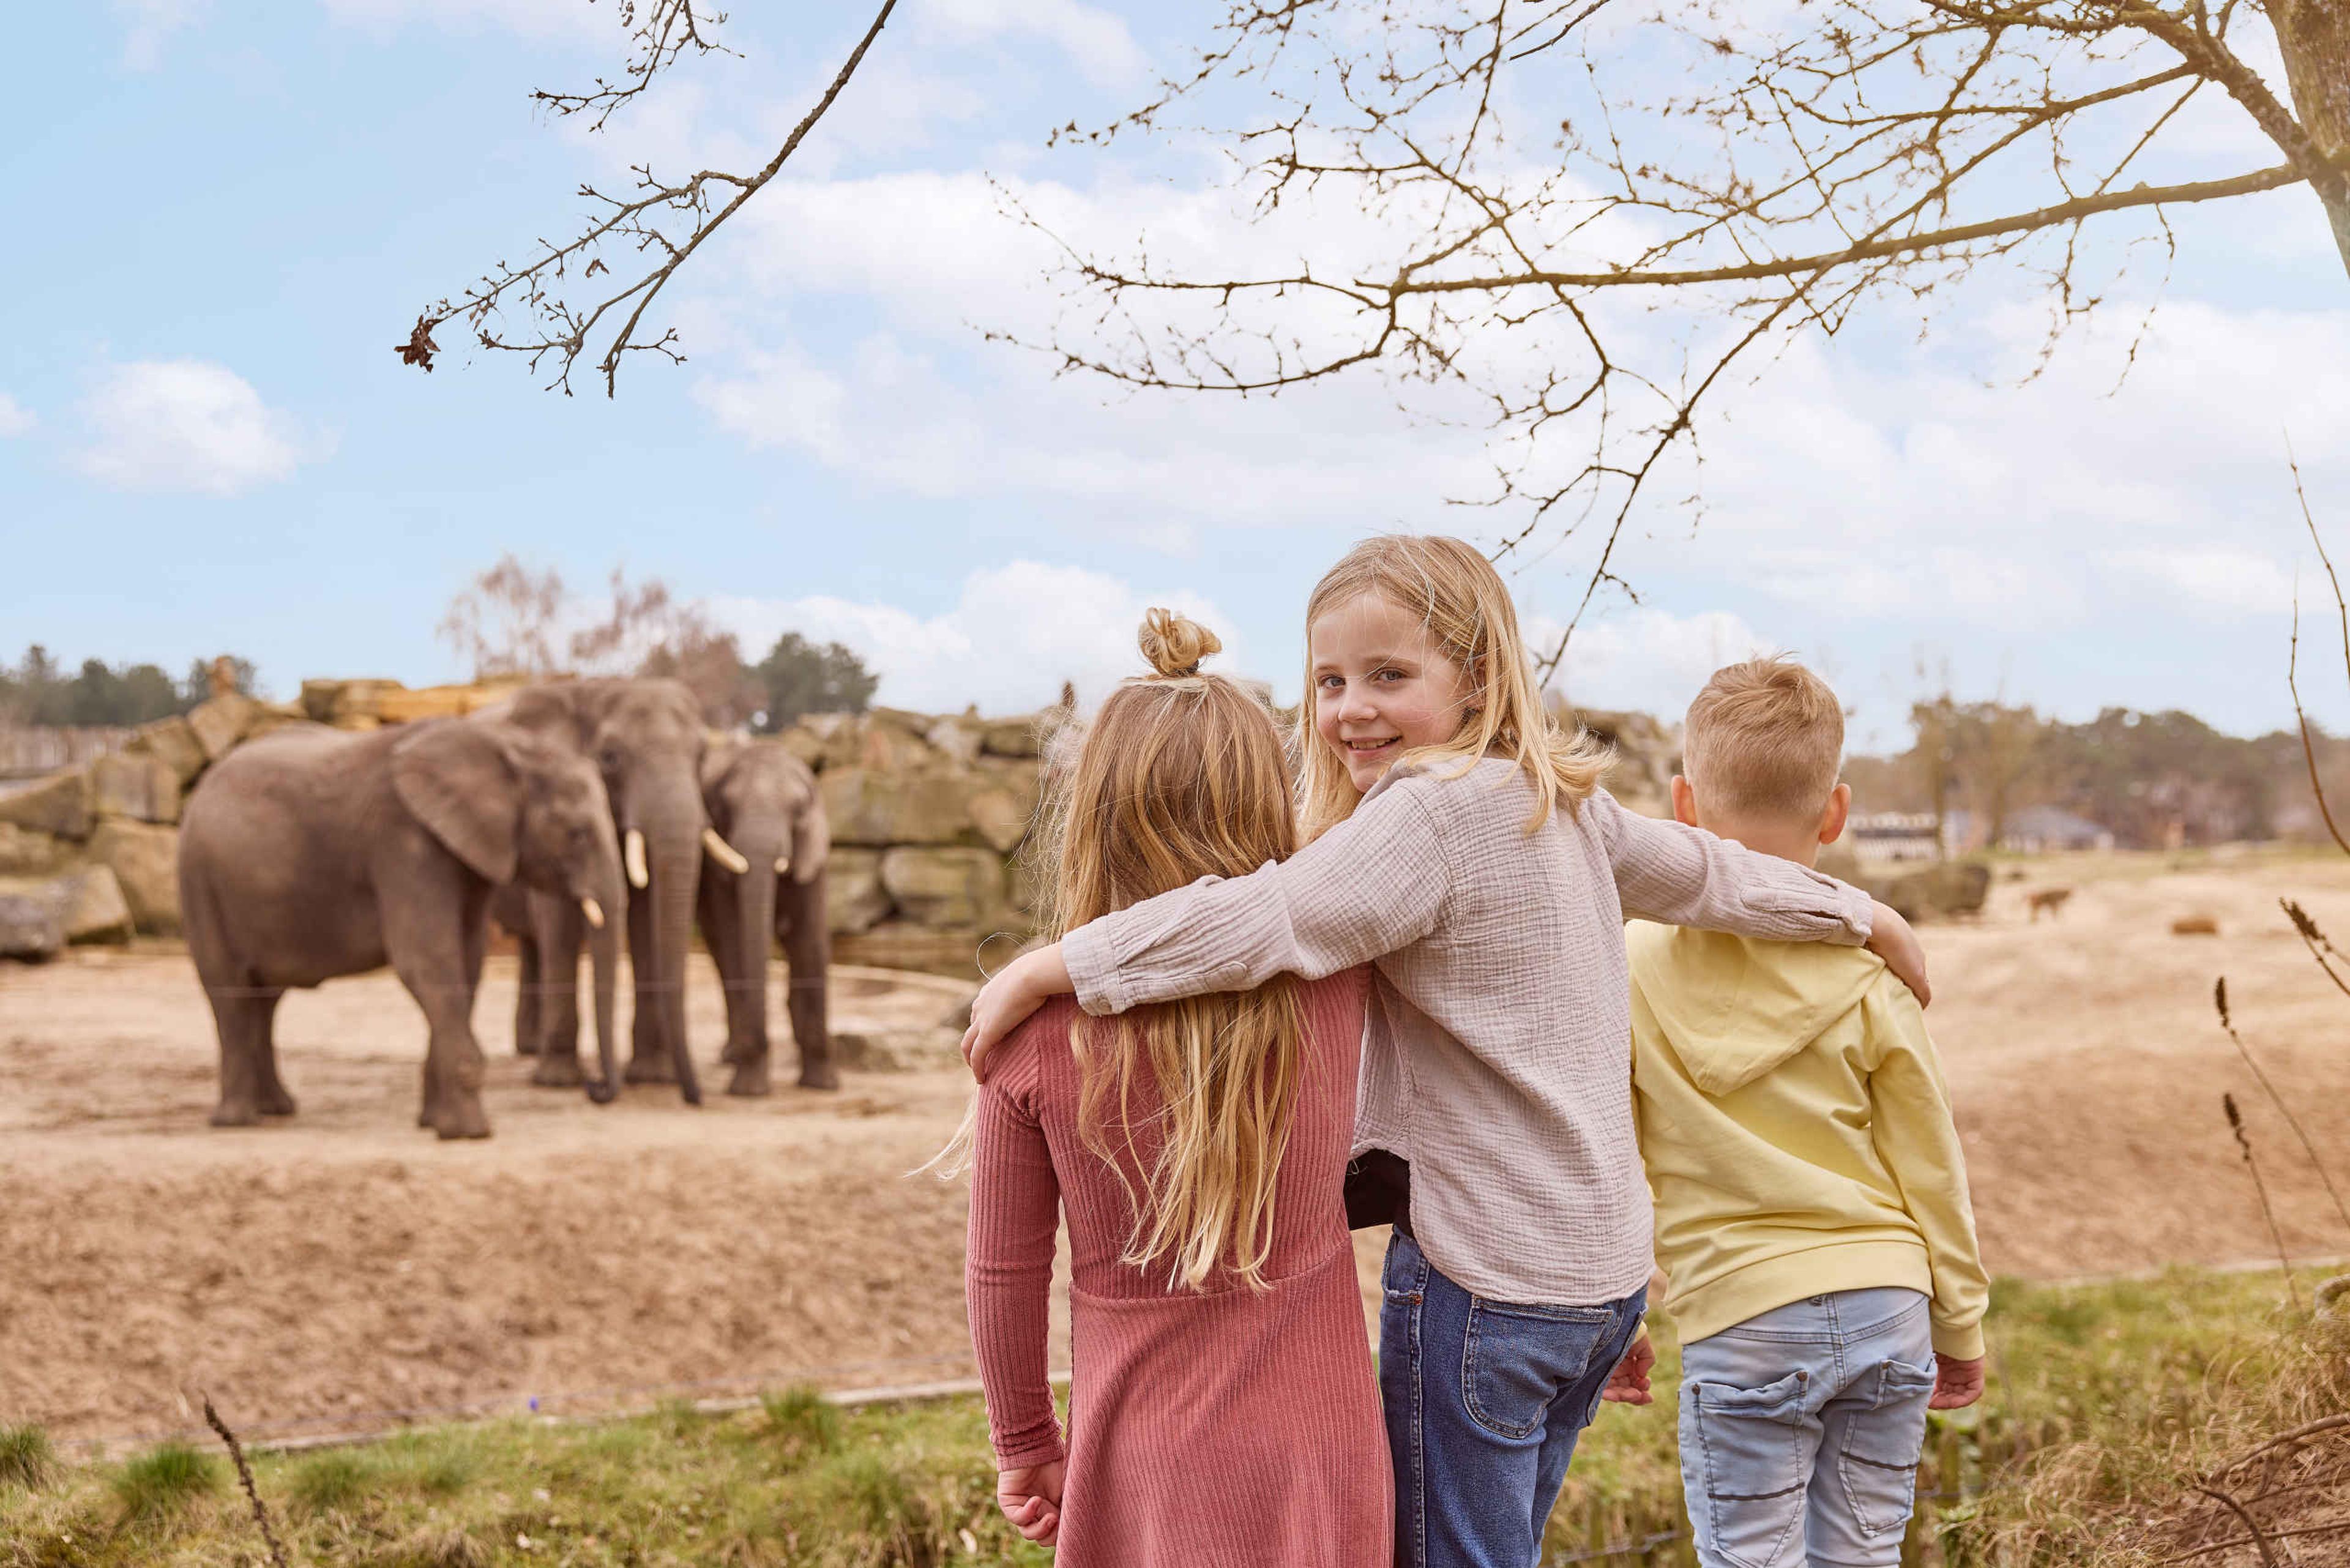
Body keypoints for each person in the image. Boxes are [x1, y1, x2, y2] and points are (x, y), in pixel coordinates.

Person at [962, 536, 1932, 1568]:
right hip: (1595, 1286)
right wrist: (1858, 911)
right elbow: (1707, 873)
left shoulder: (1423, 814)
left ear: (1476, 675)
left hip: (1486, 1288)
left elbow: (1269, 915)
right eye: (1329, 681)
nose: (1349, 709)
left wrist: (1057, 964)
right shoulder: (1555, 799)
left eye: (1389, 675)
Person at [941, 610, 1390, 1567]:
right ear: (1267, 805)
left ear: (1091, 815)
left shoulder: (1029, 1039)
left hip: (1139, 1464)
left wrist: (1024, 1444)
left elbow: (1003, 1274)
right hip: (1323, 1454)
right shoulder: (1339, 980)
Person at [1629, 657, 1988, 1568]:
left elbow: (1603, 1158)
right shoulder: (1875, 971)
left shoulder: (1627, 964)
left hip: (1740, 1317)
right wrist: (1962, 1325)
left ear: (1683, 803)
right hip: (1887, 1301)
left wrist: (1613, 1316)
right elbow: (1931, 1165)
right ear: (1835, 812)